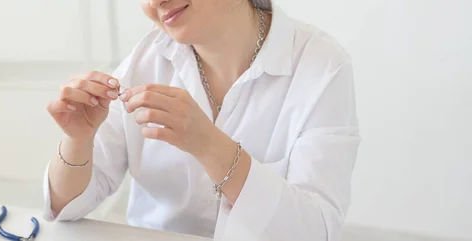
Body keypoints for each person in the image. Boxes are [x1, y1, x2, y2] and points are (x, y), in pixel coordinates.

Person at [44, 0, 360, 240]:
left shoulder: (322, 68)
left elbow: (316, 230)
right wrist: (77, 140)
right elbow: (66, 207)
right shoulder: (147, 59)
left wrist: (211, 146)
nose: (155, 3)